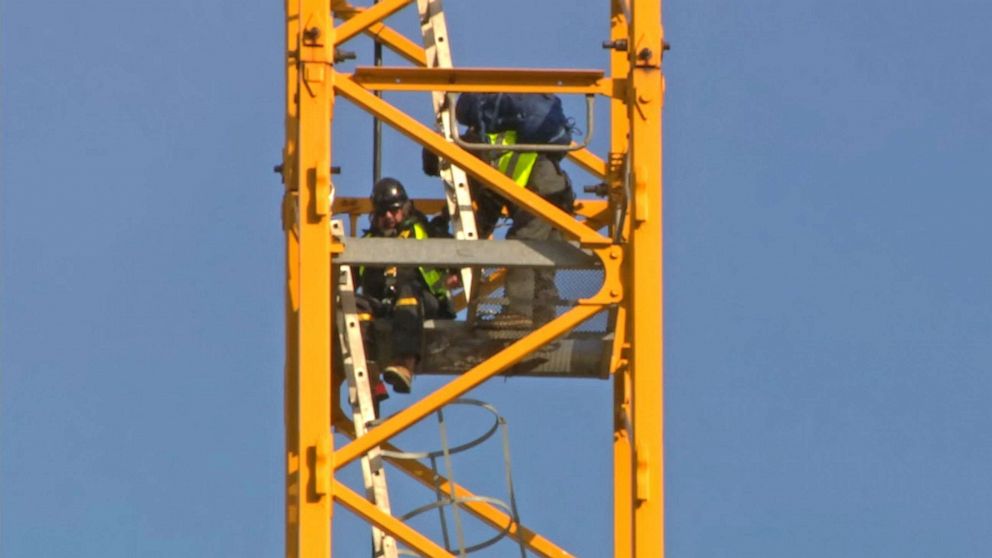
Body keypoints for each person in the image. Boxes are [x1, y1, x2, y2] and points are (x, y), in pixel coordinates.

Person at [423, 94, 576, 329]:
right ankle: (544, 323)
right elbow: (488, 210)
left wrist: (459, 258)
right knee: (544, 259)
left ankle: (519, 313)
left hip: (541, 190)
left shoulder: (472, 152)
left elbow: (484, 215)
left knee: (521, 245)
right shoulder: (489, 141)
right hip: (558, 192)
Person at [356, 177, 455, 396]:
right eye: (382, 213)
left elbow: (453, 250)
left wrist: (454, 273)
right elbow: (349, 279)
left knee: (406, 291)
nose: (388, 217)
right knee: (354, 306)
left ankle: (405, 365)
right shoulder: (367, 244)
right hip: (384, 304)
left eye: (393, 210)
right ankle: (369, 378)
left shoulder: (421, 229)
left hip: (422, 300)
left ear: (405, 208)